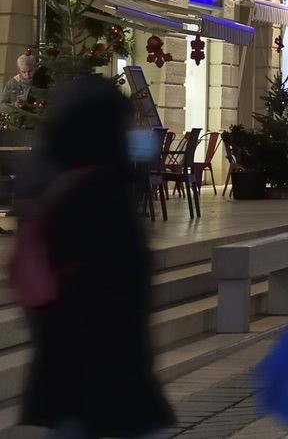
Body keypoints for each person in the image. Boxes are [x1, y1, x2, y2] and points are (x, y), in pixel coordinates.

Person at [17, 75, 176, 439]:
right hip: (104, 375)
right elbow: (111, 286)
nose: (135, 131)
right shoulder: (95, 194)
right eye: (125, 123)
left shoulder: (56, 179)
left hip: (71, 374)